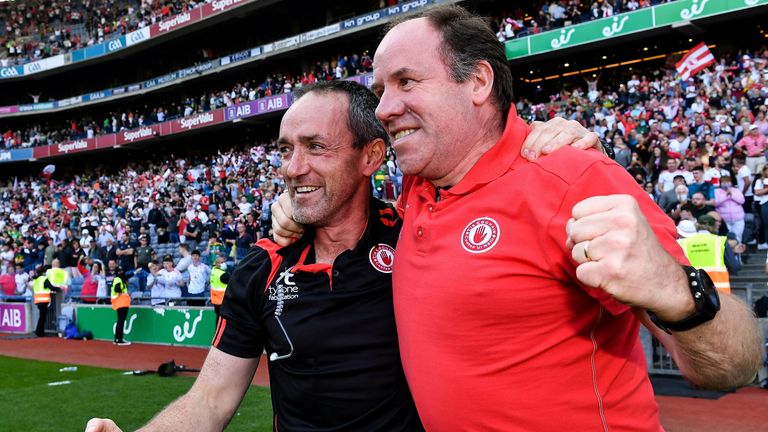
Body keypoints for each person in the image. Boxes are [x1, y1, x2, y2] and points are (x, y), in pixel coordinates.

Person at [271, 5, 762, 430]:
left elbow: (733, 365)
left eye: (406, 82)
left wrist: (677, 293)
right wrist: (295, 209)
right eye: (380, 89)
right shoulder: (417, 188)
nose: (384, 107)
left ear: (479, 81)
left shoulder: (573, 174)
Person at [84, 79, 598, 432]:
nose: (293, 166)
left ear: (371, 157)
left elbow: (487, 179)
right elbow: (211, 401)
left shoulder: (422, 235)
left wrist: (550, 142)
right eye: (286, 149)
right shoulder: (259, 269)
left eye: (316, 147)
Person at [676, 216, 740, 293]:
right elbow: (734, 266)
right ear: (714, 227)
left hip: (694, 291)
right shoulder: (720, 241)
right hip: (719, 293)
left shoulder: (683, 243)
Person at [32, 265, 61, 337]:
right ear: (43, 272)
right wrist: (59, 288)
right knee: (42, 317)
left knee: (42, 317)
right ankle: (39, 332)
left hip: (38, 300)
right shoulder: (44, 279)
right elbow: (51, 287)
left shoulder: (36, 280)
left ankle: (39, 331)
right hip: (43, 300)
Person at [111, 269, 131, 345]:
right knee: (121, 320)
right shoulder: (118, 279)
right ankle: (119, 339)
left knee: (120, 320)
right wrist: (122, 290)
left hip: (119, 302)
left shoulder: (117, 279)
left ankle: (117, 338)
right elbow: (117, 289)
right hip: (121, 302)